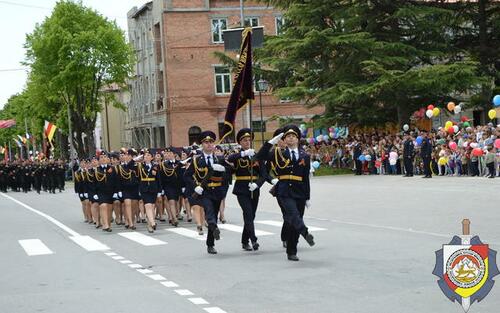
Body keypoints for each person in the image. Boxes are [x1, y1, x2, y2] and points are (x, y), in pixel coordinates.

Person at [258, 125, 315, 261]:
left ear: (298, 139)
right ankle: (305, 231)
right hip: (284, 190)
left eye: (294, 136)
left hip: (299, 191)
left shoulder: (305, 156)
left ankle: (292, 250)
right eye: (288, 136)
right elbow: (259, 157)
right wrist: (270, 143)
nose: (291, 138)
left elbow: (306, 178)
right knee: (293, 214)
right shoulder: (277, 153)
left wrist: (307, 197)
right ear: (284, 139)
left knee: (297, 219)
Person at [184, 130, 228, 254]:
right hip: (204, 192)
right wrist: (195, 187)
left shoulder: (219, 159)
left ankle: (210, 243)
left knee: (213, 214)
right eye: (206, 142)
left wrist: (223, 189)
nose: (209, 144)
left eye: (211, 142)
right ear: (201, 145)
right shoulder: (196, 160)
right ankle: (214, 227)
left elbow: (227, 176)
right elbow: (187, 176)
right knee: (209, 211)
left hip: (217, 191)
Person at [226, 128, 266, 251]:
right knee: (248, 213)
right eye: (244, 140)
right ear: (240, 142)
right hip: (242, 189)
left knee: (251, 216)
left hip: (254, 189)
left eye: (249, 140)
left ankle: (244, 240)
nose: (247, 142)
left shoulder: (256, 155)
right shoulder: (237, 155)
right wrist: (242, 154)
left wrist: (258, 184)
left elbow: (263, 174)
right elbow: (229, 158)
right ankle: (253, 240)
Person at [138, 149, 161, 233]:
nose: (146, 157)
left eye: (148, 155)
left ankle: (149, 225)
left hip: (153, 188)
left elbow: (158, 179)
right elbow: (130, 166)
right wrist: (137, 158)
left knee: (152, 207)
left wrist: (159, 191)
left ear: (152, 157)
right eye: (145, 156)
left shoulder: (155, 166)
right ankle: (153, 222)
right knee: (147, 205)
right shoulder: (140, 166)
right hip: (144, 188)